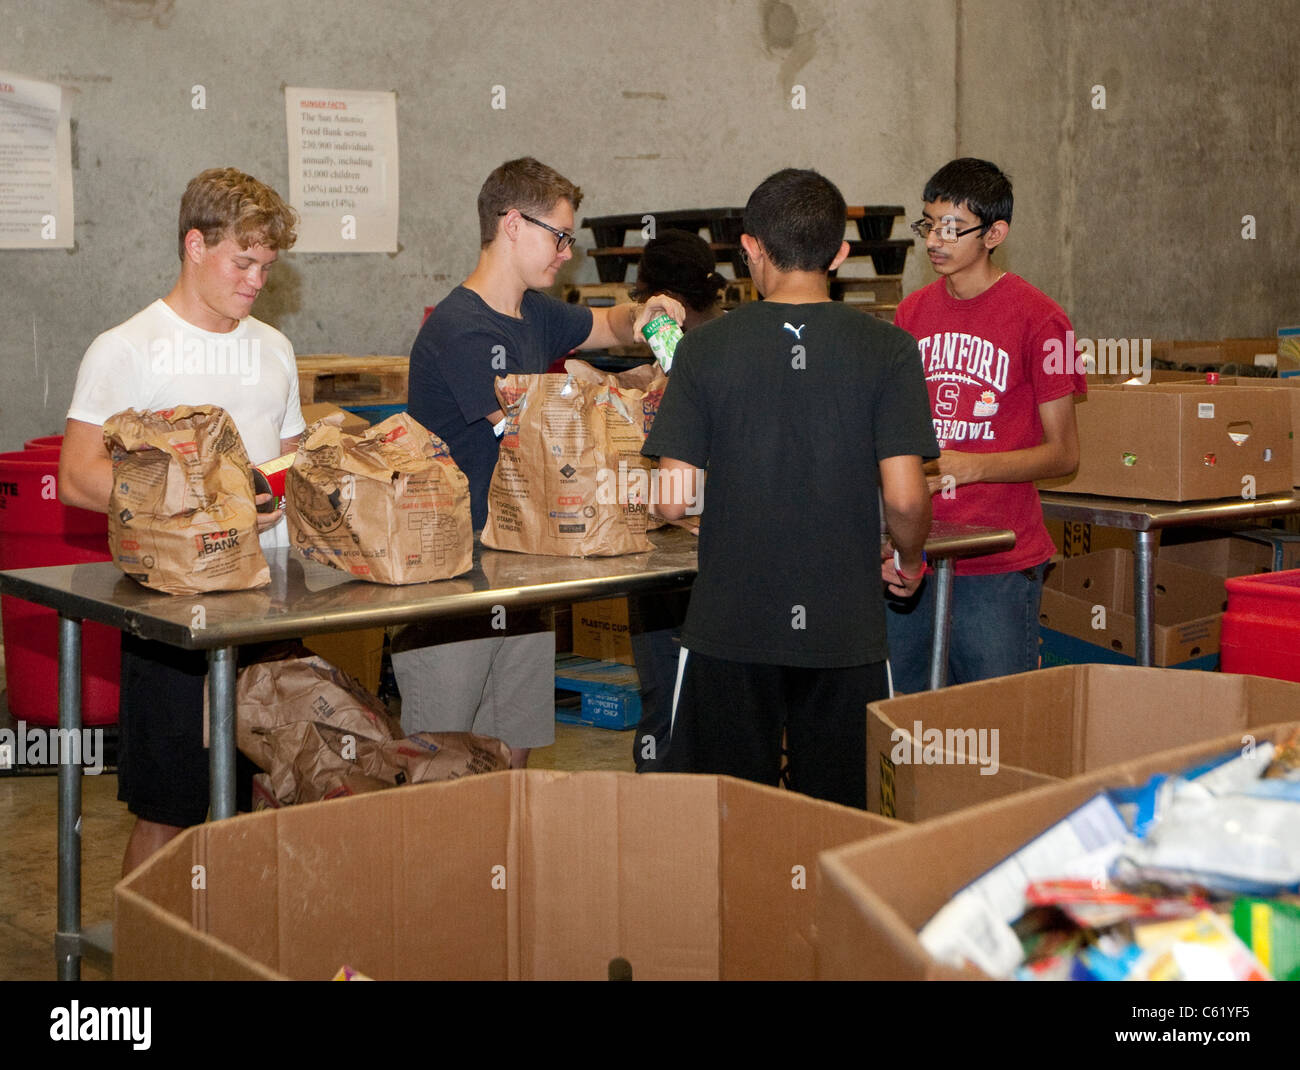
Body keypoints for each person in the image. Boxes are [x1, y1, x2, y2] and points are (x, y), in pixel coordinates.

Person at [642, 168, 937, 808]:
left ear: (749, 249)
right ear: (840, 255)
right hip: (845, 630)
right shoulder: (889, 350)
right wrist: (909, 560)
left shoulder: (703, 350)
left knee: (726, 822)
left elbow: (672, 498)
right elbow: (908, 499)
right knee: (839, 821)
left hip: (730, 627)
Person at [394, 157, 682, 768]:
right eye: (558, 236)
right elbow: (530, 449)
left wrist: (648, 312)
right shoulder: (460, 330)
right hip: (455, 583)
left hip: (522, 571)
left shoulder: (535, 312)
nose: (565, 253)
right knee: (444, 767)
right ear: (512, 224)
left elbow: (610, 325)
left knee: (512, 753)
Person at [58, 167, 304, 874]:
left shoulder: (274, 351)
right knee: (170, 806)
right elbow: (76, 475)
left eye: (267, 266)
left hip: (267, 605)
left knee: (262, 796)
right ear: (195, 245)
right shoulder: (127, 349)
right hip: (173, 615)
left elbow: (288, 460)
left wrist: (299, 481)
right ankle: (148, 955)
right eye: (243, 262)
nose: (256, 281)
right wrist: (195, 514)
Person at [884, 157, 1085, 692]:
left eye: (952, 228)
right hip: (916, 549)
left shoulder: (1044, 320)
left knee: (993, 719)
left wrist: (971, 467)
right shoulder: (910, 314)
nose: (935, 240)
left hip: (998, 560)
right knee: (899, 714)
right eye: (928, 223)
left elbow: (1064, 454)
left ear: (995, 233)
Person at [625, 229, 726, 772]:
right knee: (718, 706)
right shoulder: (739, 343)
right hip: (728, 553)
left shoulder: (682, 355)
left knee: (665, 702)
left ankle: (655, 825)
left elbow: (670, 498)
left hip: (668, 553)